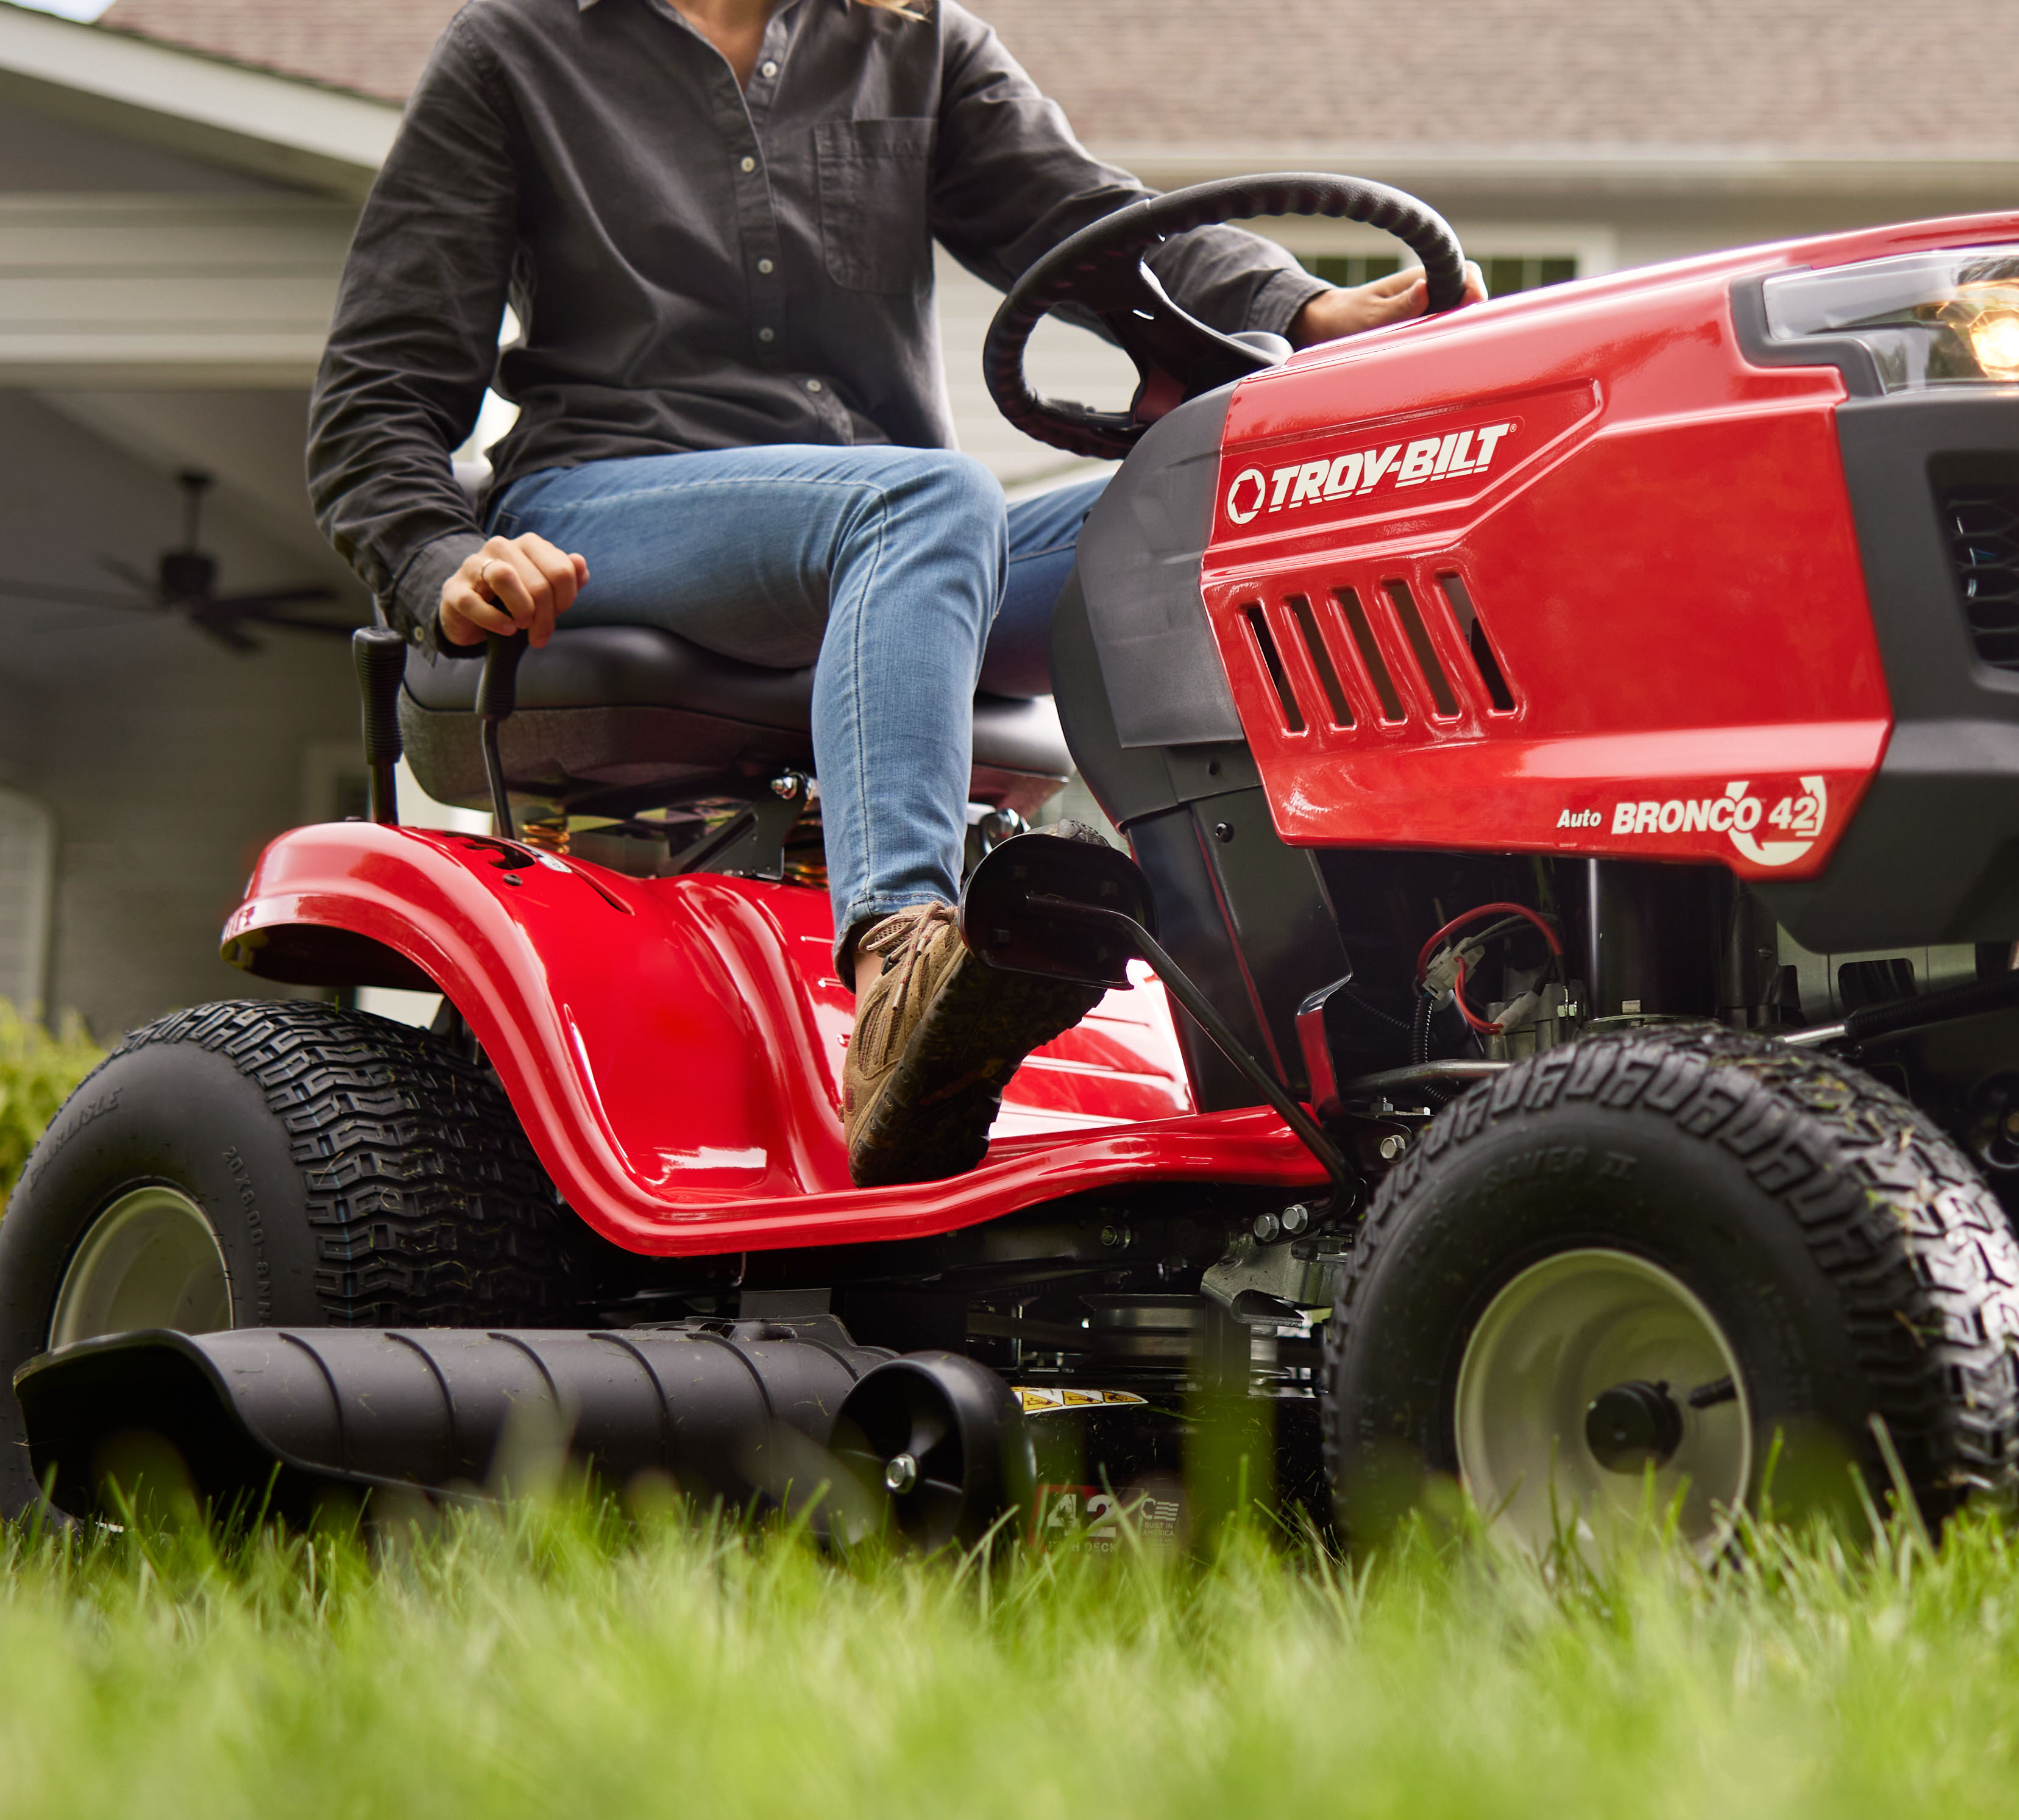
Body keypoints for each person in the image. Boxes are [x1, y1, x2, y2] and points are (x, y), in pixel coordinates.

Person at [305, 0, 1452, 1185]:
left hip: (879, 534)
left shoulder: (918, 45)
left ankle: (1305, 1000)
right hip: (614, 508)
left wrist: (1298, 311)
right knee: (924, 501)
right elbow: (377, 388)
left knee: (1198, 505)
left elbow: (1091, 223)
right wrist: (440, 562)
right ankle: (903, 974)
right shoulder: (519, 49)